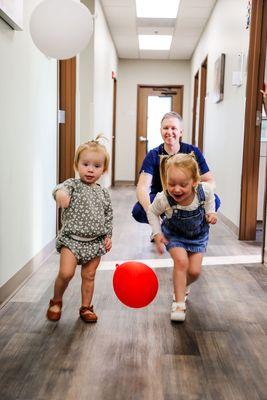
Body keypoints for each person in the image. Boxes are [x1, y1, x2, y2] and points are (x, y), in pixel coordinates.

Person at [46, 136, 113, 323]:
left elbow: (108, 215)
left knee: (89, 276)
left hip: (95, 243)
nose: (90, 169)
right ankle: (56, 300)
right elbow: (60, 189)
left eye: (97, 166)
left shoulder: (103, 192)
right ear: (77, 165)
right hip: (72, 241)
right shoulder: (72, 185)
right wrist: (61, 196)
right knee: (66, 273)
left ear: (104, 169)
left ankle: (86, 307)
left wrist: (108, 235)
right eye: (86, 164)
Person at [147, 153, 217, 322]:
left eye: (183, 185)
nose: (176, 189)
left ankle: (182, 286)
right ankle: (178, 304)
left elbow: (210, 200)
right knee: (181, 262)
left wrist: (211, 212)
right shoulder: (164, 198)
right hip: (175, 235)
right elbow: (152, 211)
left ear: (194, 182)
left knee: (194, 271)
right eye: (171, 184)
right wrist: (157, 234)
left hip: (198, 236)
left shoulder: (204, 190)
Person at [132, 111, 220, 225]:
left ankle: (189, 227)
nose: (169, 132)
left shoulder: (193, 151)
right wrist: (151, 214)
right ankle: (164, 226)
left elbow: (210, 181)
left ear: (180, 132)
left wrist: (196, 194)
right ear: (160, 131)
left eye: (173, 128)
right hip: (162, 197)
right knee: (138, 210)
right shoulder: (153, 155)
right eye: (166, 128)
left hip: (189, 195)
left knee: (215, 200)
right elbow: (142, 187)